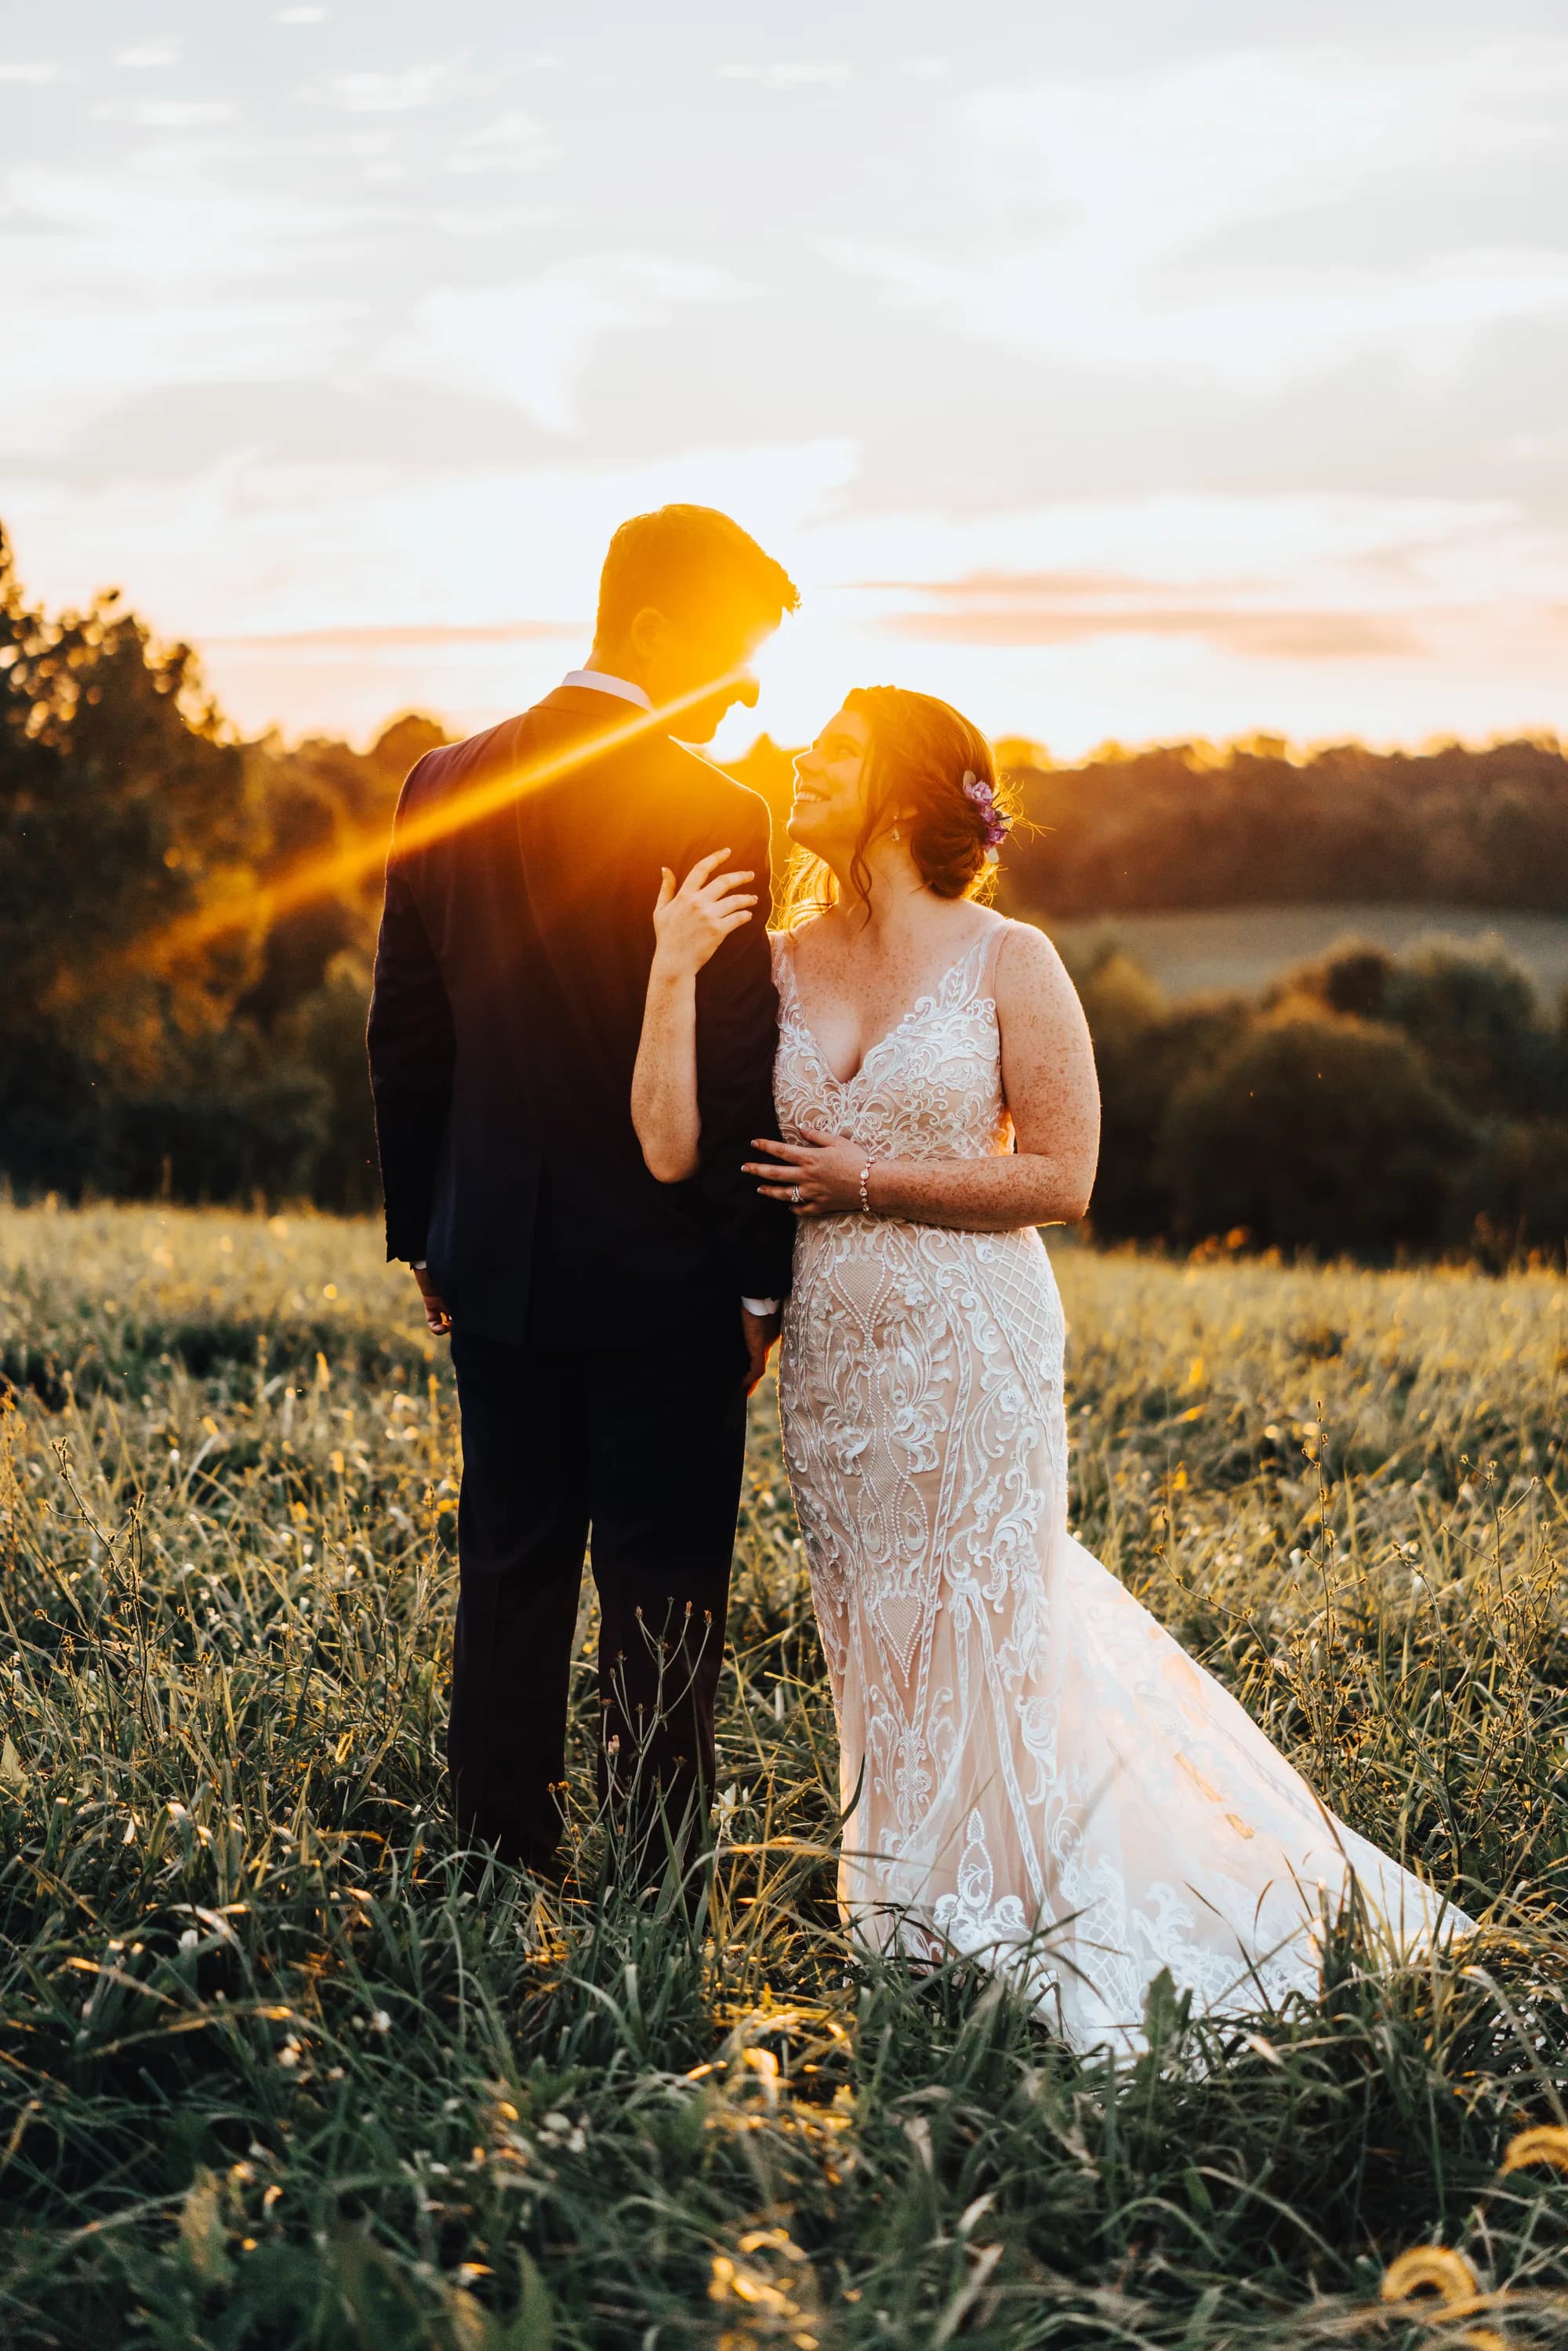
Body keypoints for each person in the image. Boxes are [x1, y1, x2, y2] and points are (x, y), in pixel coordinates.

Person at [632, 683, 1474, 2052]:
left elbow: (1063, 1174)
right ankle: (908, 1914)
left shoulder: (1010, 958)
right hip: (839, 1358)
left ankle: (1030, 1911)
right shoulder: (775, 961)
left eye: (835, 751)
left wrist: (861, 1174)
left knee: (988, 1615)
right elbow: (692, 1157)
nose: (802, 764)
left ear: (904, 789)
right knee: (877, 1630)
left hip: (974, 1338)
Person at [368, 503, 797, 1881]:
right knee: (666, 1584)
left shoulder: (445, 780)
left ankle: (498, 1860)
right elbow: (736, 1076)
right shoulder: (717, 811)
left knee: (510, 1566)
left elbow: (408, 1033)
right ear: (658, 630)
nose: (739, 691)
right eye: (730, 654)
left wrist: (421, 1231)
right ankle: (659, 1876)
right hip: (668, 1281)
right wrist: (757, 1277)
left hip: (489, 1254)